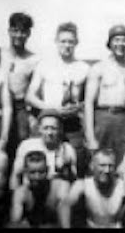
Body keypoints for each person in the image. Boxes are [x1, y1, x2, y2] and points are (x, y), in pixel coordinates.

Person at [26, 22, 90, 177]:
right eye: (63, 41)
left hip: (72, 123)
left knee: (77, 161)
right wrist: (49, 109)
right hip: (49, 120)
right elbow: (30, 96)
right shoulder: (45, 65)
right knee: (40, 160)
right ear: (56, 41)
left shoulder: (84, 67)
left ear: (76, 43)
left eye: (71, 41)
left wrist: (78, 107)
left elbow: (88, 100)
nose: (67, 45)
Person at [85, 24, 125, 165]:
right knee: (101, 162)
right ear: (110, 43)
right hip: (103, 119)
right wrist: (91, 137)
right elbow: (88, 103)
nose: (120, 44)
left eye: (124, 40)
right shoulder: (98, 68)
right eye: (116, 40)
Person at [59, 149, 125, 228]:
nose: (107, 170)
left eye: (110, 166)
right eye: (102, 165)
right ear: (92, 166)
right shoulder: (83, 184)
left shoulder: (123, 185)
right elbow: (64, 206)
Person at [0, 12, 41, 163]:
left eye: (23, 31)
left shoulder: (34, 59)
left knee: (21, 144)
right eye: (15, 30)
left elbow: (35, 90)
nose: (19, 35)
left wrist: (33, 116)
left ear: (28, 33)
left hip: (20, 108)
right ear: (9, 31)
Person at [10, 109, 78, 190]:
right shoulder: (27, 145)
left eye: (53, 128)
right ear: (39, 129)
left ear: (60, 129)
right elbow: (15, 175)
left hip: (54, 194)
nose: (49, 133)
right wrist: (16, 195)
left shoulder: (67, 149)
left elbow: (74, 180)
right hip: (30, 191)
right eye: (46, 128)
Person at [8, 150, 71, 228]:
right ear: (25, 172)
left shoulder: (60, 186)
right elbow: (15, 222)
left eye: (41, 172)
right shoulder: (21, 193)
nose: (37, 177)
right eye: (32, 172)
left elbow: (66, 223)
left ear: (47, 170)